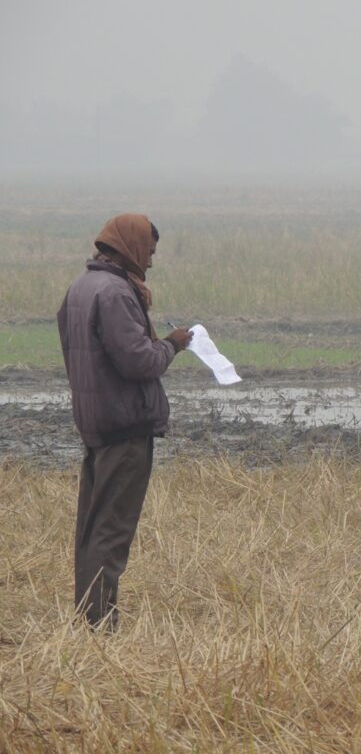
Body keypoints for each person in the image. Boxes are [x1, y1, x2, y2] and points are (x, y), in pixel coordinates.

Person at [57, 213, 193, 629]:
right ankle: (100, 624)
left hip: (97, 423)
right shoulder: (115, 293)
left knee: (92, 526)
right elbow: (139, 363)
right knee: (112, 530)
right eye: (148, 252)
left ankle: (89, 618)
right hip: (124, 427)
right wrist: (172, 345)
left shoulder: (82, 287)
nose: (150, 262)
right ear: (131, 246)